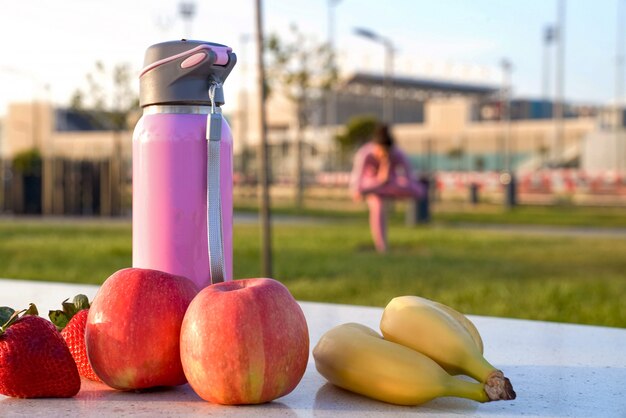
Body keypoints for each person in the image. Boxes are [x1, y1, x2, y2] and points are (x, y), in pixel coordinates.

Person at [349, 124, 424, 253]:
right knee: (377, 204)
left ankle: (376, 190)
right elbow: (356, 181)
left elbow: (410, 180)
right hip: (371, 184)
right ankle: (382, 247)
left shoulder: (397, 154)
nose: (383, 155)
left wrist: (387, 169)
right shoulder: (365, 153)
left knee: (419, 190)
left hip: (390, 185)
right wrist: (378, 182)